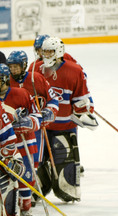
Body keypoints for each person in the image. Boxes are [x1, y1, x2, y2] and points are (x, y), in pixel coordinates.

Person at [34, 36, 97, 203]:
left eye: (50, 51)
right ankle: (37, 188)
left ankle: (66, 188)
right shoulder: (35, 68)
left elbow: (81, 98)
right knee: (35, 162)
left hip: (65, 127)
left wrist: (84, 111)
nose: (46, 54)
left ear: (59, 52)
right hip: (41, 127)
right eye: (44, 51)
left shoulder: (74, 70)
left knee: (66, 176)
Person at [0, 63, 42, 216]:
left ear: (4, 79)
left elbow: (37, 116)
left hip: (24, 142)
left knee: (26, 175)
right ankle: (11, 208)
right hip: (5, 146)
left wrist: (27, 121)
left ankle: (26, 206)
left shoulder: (22, 93)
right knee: (10, 177)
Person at [7, 50, 59, 177]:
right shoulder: (7, 81)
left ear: (23, 65)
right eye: (11, 67)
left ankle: (35, 184)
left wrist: (49, 111)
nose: (13, 70)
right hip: (14, 130)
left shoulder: (35, 78)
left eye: (16, 67)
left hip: (34, 127)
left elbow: (53, 98)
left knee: (34, 160)